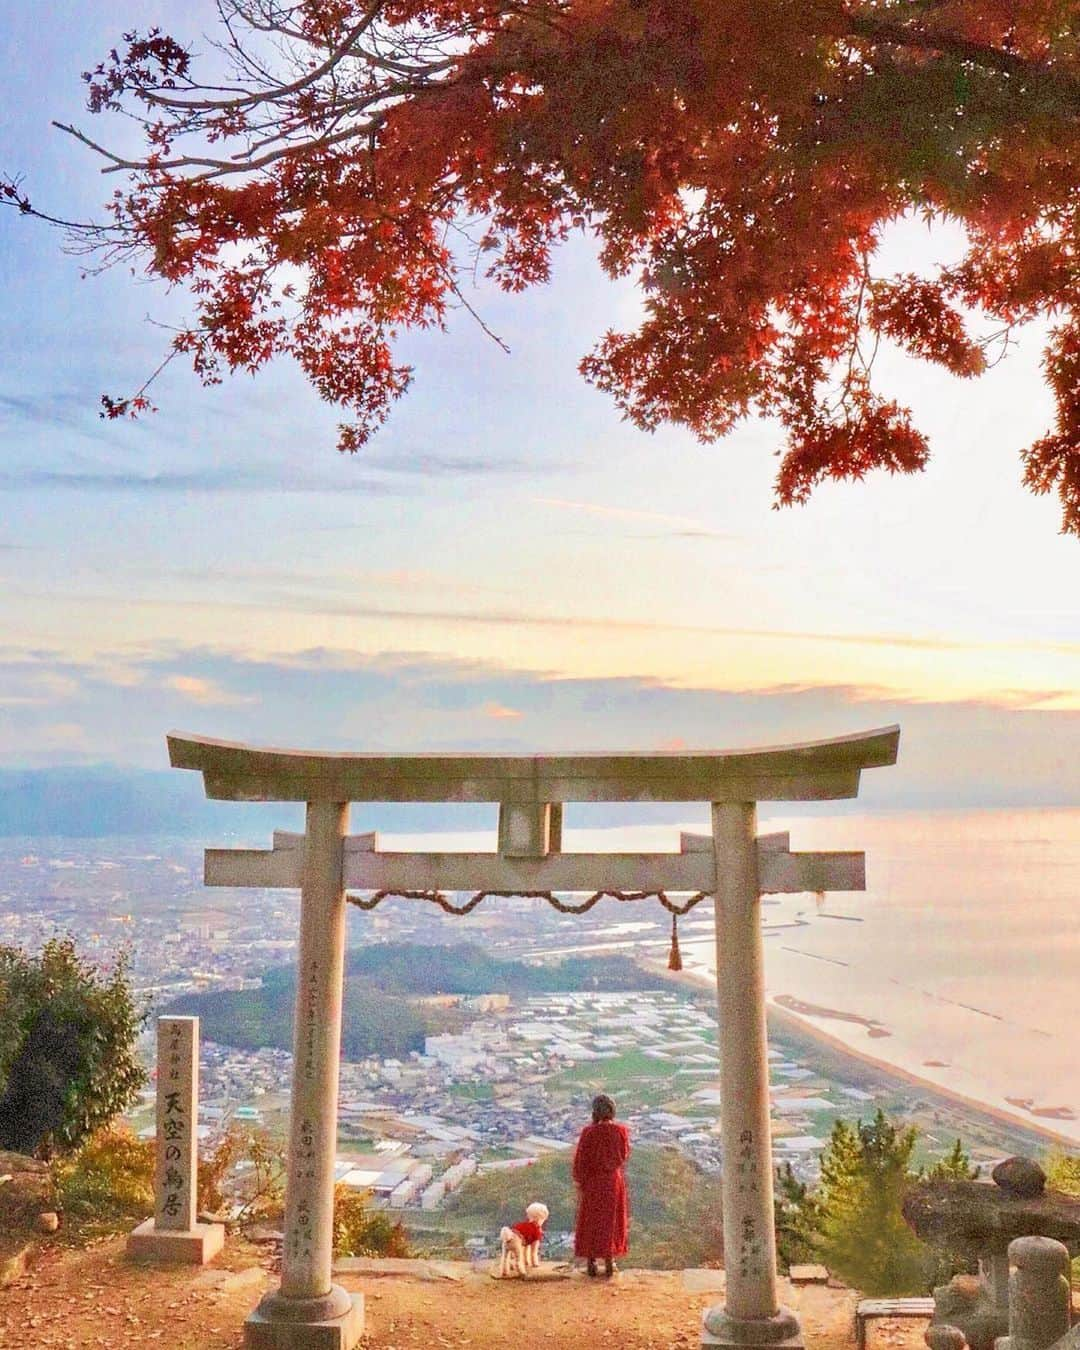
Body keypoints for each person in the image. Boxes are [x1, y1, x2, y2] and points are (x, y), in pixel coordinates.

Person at [572, 1093, 630, 1277]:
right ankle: (609, 1259)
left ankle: (591, 1261)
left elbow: (581, 1159)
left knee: (591, 1220)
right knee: (611, 1221)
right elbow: (624, 1154)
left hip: (592, 1182)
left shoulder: (588, 1133)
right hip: (613, 1181)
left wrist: (580, 1180)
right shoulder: (620, 1131)